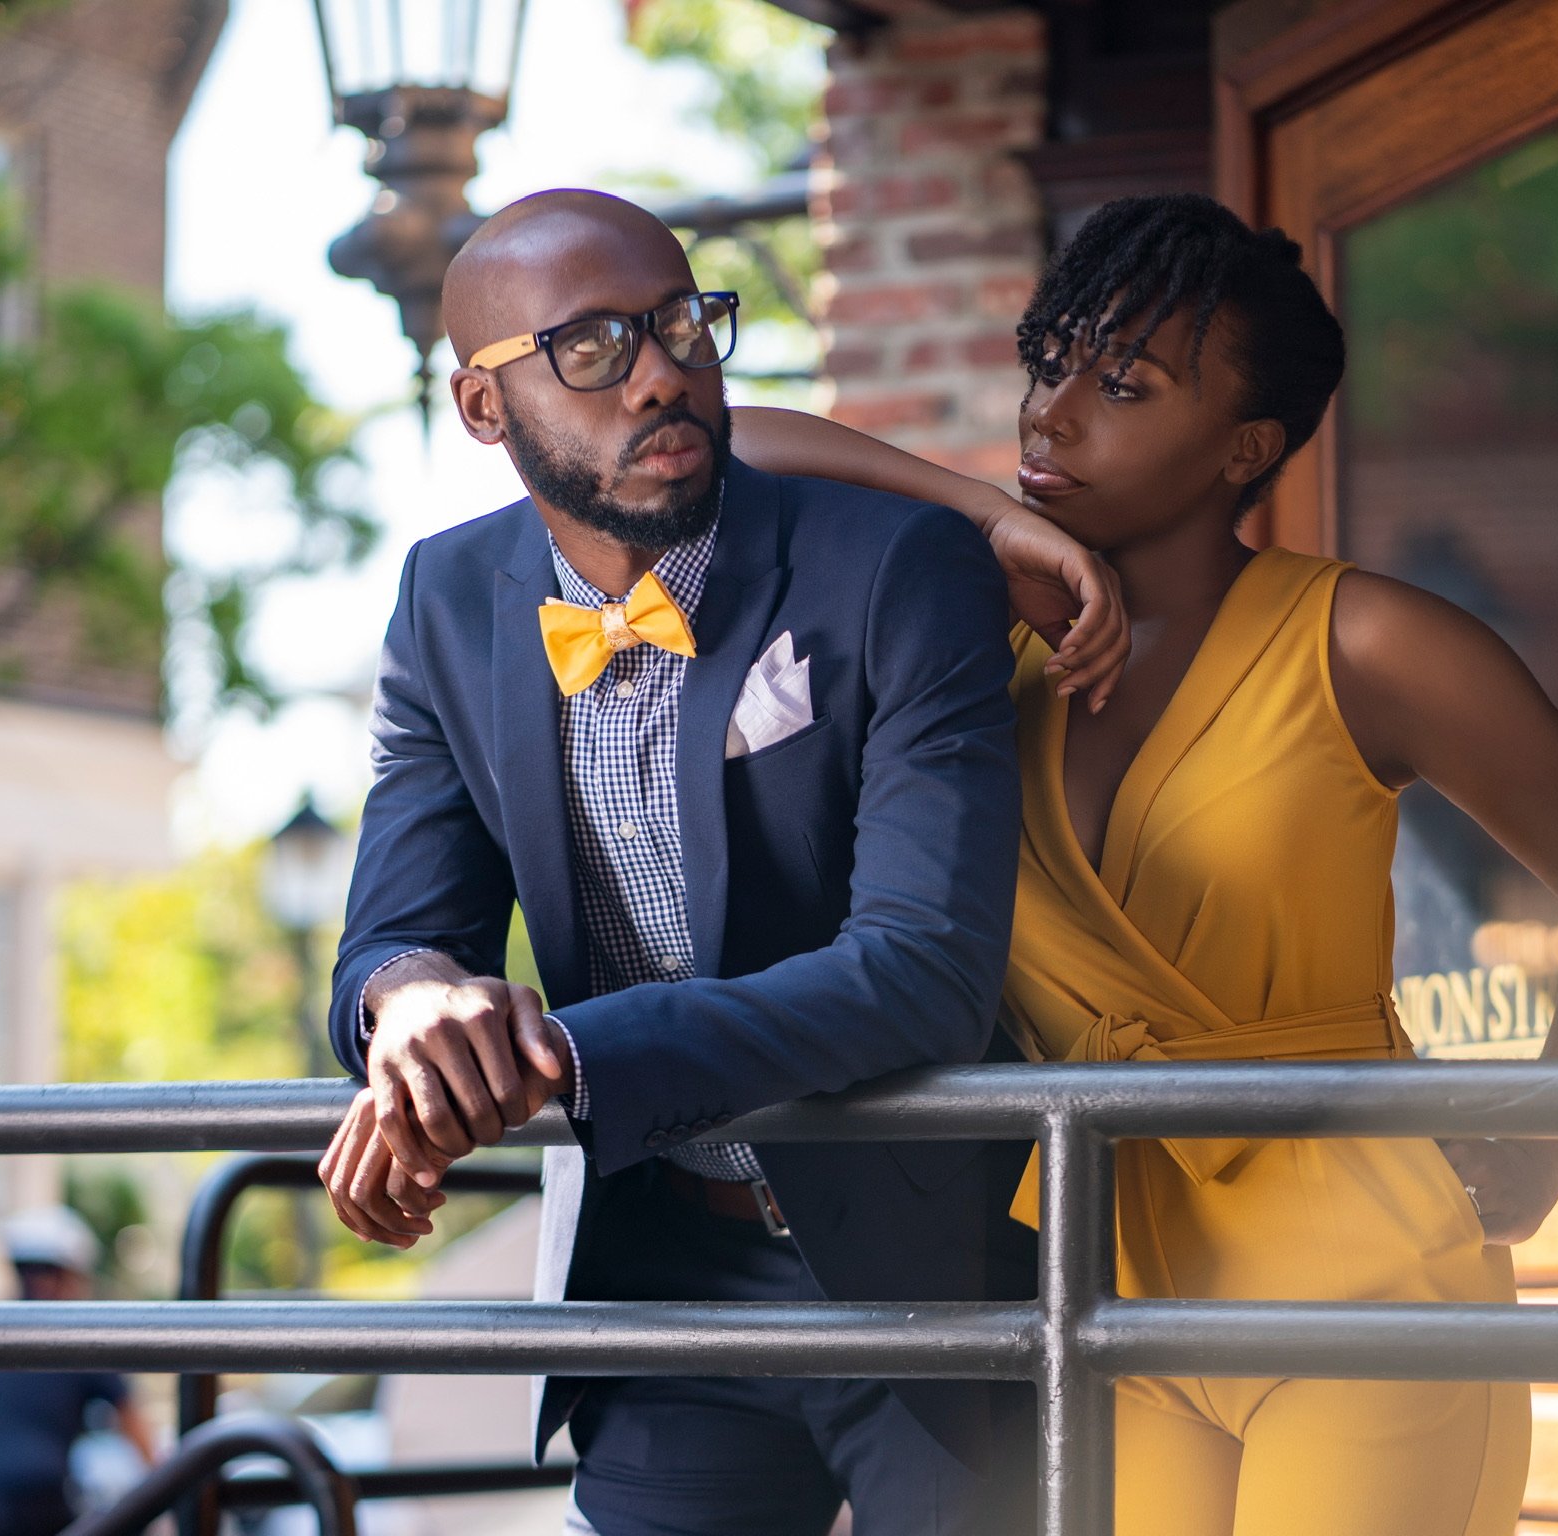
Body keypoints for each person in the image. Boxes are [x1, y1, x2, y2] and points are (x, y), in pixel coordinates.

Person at [723, 193, 1558, 1536]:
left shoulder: (1362, 643)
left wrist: (1541, 1138)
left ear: (1249, 445)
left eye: (1122, 383)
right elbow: (710, 453)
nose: (1052, 413)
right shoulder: (964, 651)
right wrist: (973, 517)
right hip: (1102, 1276)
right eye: (1050, 362)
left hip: (1361, 1278)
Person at [312, 188, 1127, 1536]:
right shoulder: (445, 602)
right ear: (480, 407)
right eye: (594, 347)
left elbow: (923, 971)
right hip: (662, 1283)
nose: (663, 372)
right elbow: (396, 931)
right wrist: (414, 1011)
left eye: (686, 323)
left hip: (929, 1266)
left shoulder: (897, 570)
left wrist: (564, 1058)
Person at [0, 1207, 155, 1536]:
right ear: (70, 1274)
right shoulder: (79, 1333)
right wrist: (168, 1488)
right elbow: (134, 1425)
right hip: (26, 1499)